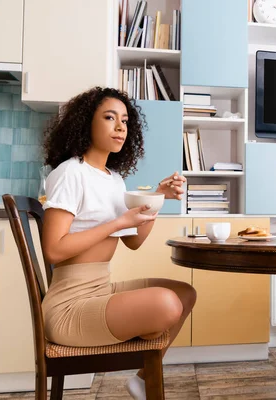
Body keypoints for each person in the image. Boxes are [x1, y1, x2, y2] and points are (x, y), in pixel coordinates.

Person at [40, 87, 196, 400]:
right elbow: (54, 249)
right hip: (70, 305)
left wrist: (157, 197)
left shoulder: (113, 179)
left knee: (183, 294)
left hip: (100, 289)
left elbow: (134, 241)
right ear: (87, 124)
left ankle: (140, 379)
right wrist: (118, 222)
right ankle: (144, 334)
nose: (120, 126)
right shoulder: (71, 173)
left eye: (125, 120)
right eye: (110, 117)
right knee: (166, 305)